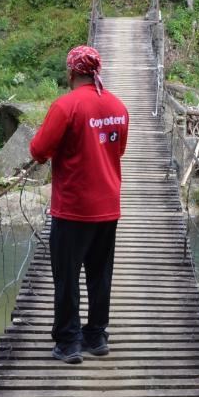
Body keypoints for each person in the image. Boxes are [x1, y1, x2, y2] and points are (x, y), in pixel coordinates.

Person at [29, 45, 130, 364]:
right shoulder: (118, 105)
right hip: (108, 205)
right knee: (100, 274)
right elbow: (120, 150)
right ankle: (97, 336)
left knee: (66, 276)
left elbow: (39, 149)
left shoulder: (65, 106)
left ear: (72, 72)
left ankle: (69, 343)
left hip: (73, 207)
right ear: (96, 70)